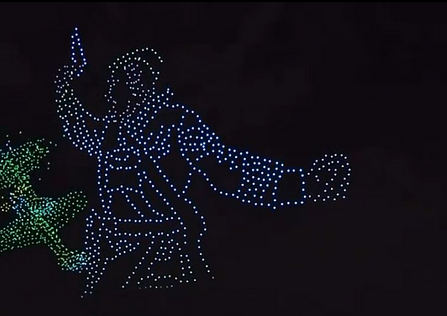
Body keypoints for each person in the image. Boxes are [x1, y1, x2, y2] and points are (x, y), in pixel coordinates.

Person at [55, 28, 350, 297]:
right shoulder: (110, 132)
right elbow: (77, 125)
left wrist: (300, 184)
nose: (117, 87)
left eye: (129, 77)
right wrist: (66, 86)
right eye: (115, 79)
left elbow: (228, 169)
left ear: (147, 82)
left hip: (163, 250)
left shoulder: (176, 124)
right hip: (112, 249)